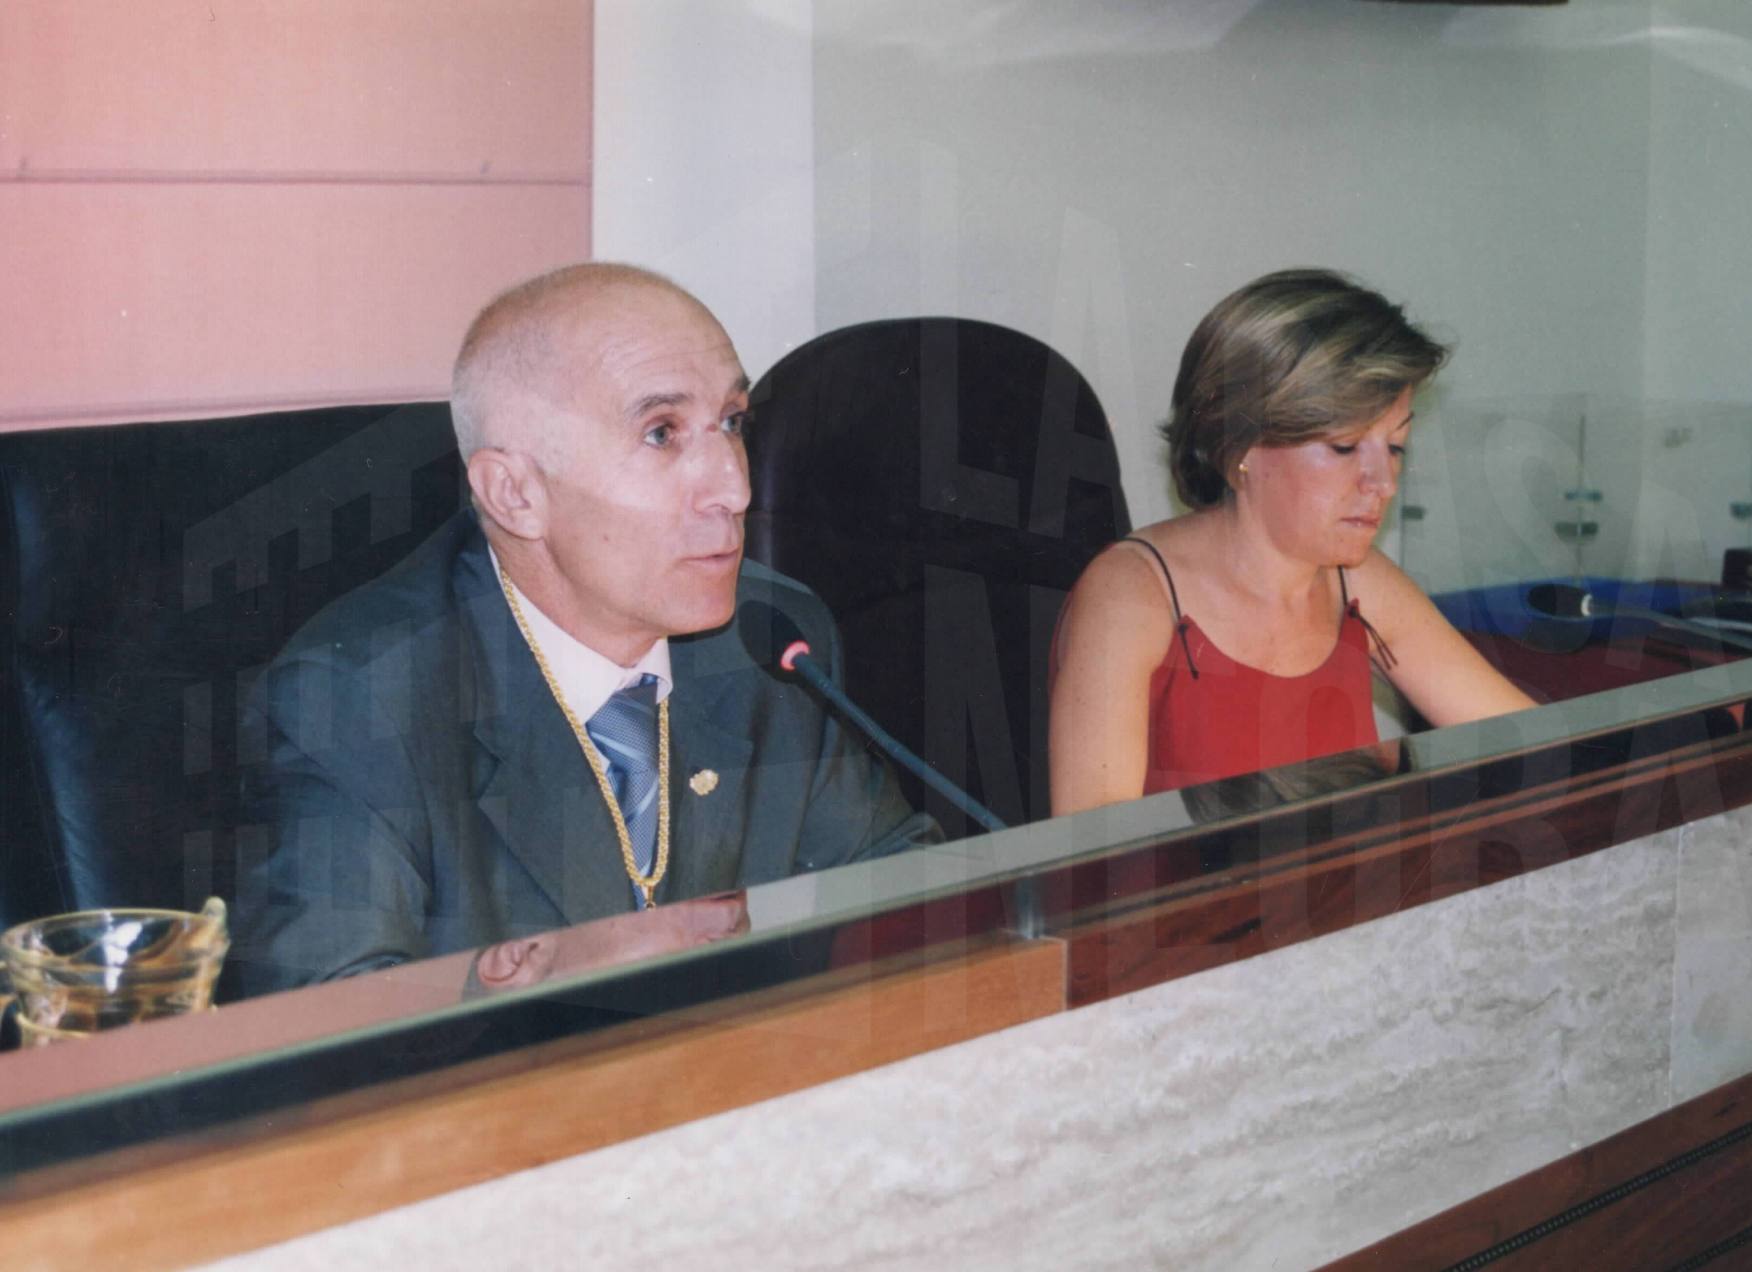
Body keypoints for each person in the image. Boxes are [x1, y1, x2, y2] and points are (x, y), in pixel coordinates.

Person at [234, 263, 935, 996]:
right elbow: (333, 1022)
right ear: (515, 494)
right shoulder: (360, 702)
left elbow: (910, 906)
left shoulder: (769, 639)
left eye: (732, 422)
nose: (734, 488)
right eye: (661, 434)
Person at [1049, 269, 1535, 815]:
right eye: (1345, 447)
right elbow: (1095, 850)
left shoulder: (1356, 581)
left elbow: (1531, 745)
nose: (1384, 483)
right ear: (1240, 446)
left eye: (1395, 447)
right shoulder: (1130, 594)